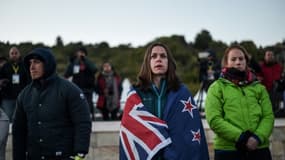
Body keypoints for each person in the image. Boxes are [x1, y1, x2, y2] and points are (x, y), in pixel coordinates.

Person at [119, 42, 209, 160]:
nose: (158, 59)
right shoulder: (136, 93)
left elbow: (189, 130)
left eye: (163, 56)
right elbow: (129, 130)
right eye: (154, 56)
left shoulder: (182, 92)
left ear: (169, 62)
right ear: (148, 62)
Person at [12, 48, 91, 160]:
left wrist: (80, 154)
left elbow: (82, 122)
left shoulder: (70, 90)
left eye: (37, 62)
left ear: (48, 64)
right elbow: (18, 131)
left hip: (64, 156)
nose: (32, 67)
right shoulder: (24, 95)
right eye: (30, 63)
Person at [205, 45, 274, 160]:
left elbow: (268, 116)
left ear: (246, 62)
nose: (238, 62)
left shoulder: (259, 88)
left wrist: (257, 138)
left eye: (241, 59)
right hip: (228, 151)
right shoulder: (216, 87)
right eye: (233, 59)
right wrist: (241, 137)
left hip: (259, 149)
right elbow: (214, 119)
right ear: (226, 63)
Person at [64, 47, 97, 121]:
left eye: (82, 53)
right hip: (77, 88)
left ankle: (91, 118)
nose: (80, 54)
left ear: (85, 54)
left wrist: (85, 60)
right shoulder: (74, 63)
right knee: (77, 104)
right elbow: (67, 74)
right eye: (79, 52)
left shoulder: (89, 62)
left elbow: (94, 69)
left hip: (88, 88)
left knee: (89, 104)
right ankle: (78, 118)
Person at [0, 47, 30, 122]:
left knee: (20, 119)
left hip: (21, 97)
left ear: (19, 54)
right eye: (12, 53)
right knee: (7, 118)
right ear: (9, 55)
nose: (14, 55)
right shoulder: (5, 66)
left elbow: (29, 81)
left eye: (16, 53)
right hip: (7, 97)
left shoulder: (25, 66)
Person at [260, 50, 283, 114]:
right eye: (268, 55)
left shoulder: (279, 66)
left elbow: (281, 77)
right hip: (264, 90)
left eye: (271, 55)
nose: (270, 56)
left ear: (274, 56)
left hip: (276, 91)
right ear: (265, 57)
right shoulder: (261, 67)